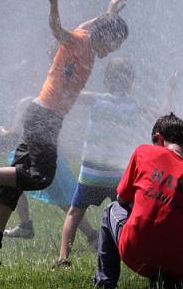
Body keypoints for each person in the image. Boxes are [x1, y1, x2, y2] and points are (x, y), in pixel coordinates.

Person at [0, 0, 128, 277]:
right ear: (106, 36)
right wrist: (54, 4)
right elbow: (57, 29)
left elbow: (94, 26)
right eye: (115, 44)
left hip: (45, 116)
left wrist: (110, 12)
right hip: (43, 116)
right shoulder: (80, 41)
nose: (113, 51)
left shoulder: (90, 44)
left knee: (17, 181)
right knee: (41, 176)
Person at [94, 113, 183, 289]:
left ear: (157, 138)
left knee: (111, 210)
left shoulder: (143, 151)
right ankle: (170, 282)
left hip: (135, 253)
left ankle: (105, 286)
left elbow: (122, 200)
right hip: (178, 265)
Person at [56, 58, 149, 267]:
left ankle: (63, 257)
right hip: (118, 174)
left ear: (107, 80)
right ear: (131, 80)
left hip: (92, 171)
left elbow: (71, 93)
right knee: (132, 213)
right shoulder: (133, 104)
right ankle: (139, 254)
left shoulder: (96, 99)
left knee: (75, 212)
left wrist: (66, 72)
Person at [0, 97, 98, 247]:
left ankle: (92, 236)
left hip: (35, 157)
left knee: (64, 201)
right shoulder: (51, 103)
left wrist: (1, 130)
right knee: (14, 185)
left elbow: (16, 130)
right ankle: (25, 225)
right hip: (49, 156)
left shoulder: (26, 102)